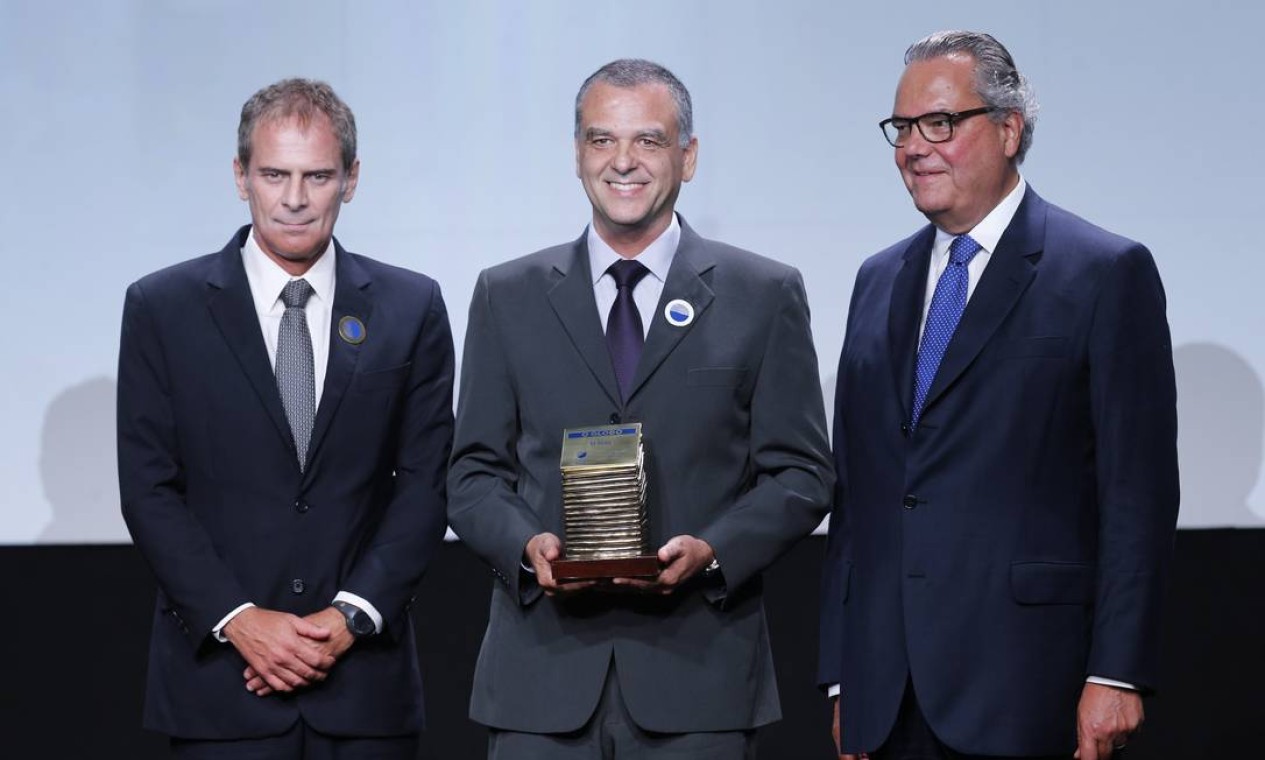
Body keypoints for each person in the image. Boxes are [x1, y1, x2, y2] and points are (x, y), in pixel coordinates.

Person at [447, 58, 833, 759]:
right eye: (600, 140)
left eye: (648, 141)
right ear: (576, 155)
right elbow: (472, 472)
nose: (622, 161)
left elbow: (801, 474)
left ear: (687, 157)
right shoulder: (506, 295)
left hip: (698, 679)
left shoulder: (763, 293)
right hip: (541, 679)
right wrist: (523, 548)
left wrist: (714, 551)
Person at [818, 31, 1179, 760]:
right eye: (902, 128)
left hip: (1026, 683)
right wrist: (840, 675)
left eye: (940, 124)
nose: (914, 147)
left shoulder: (1103, 272)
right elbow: (857, 498)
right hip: (884, 693)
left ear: (1009, 129)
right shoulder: (876, 279)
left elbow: (1136, 493)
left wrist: (1116, 671)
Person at [117, 78, 454, 758]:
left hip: (364, 690)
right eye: (274, 174)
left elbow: (426, 482)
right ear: (240, 176)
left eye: (317, 176)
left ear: (350, 179)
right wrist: (237, 620)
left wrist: (349, 617)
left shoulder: (409, 306)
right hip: (221, 688)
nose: (295, 199)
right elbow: (149, 489)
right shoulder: (164, 307)